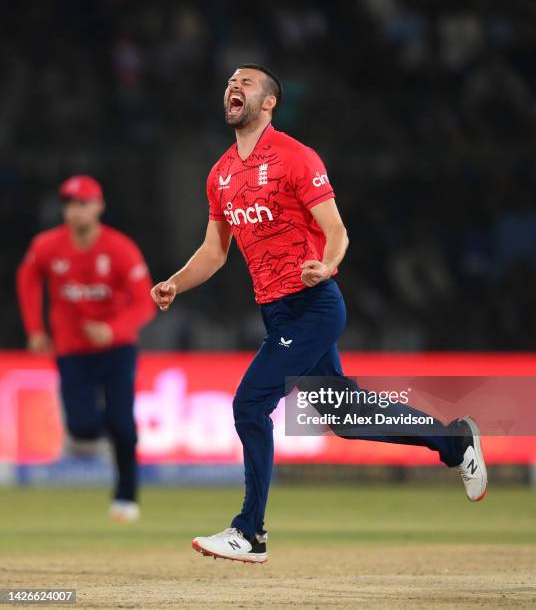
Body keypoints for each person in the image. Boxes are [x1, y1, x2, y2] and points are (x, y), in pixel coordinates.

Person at [150, 65, 487, 563]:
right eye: (228, 83)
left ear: (269, 102)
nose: (233, 87)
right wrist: (176, 282)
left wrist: (327, 265)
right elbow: (215, 251)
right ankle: (455, 440)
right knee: (344, 414)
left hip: (313, 305)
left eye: (246, 83)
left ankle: (251, 532)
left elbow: (337, 229)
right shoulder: (220, 174)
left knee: (249, 406)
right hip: (277, 314)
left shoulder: (295, 157)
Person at [17, 175, 155, 521]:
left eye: (82, 203)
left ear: (99, 206)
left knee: (123, 425)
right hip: (71, 348)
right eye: (69, 204)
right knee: (80, 427)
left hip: (116, 349)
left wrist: (112, 330)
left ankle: (126, 497)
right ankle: (113, 428)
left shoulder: (120, 249)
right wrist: (35, 330)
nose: (75, 211)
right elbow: (28, 278)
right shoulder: (48, 246)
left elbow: (144, 303)